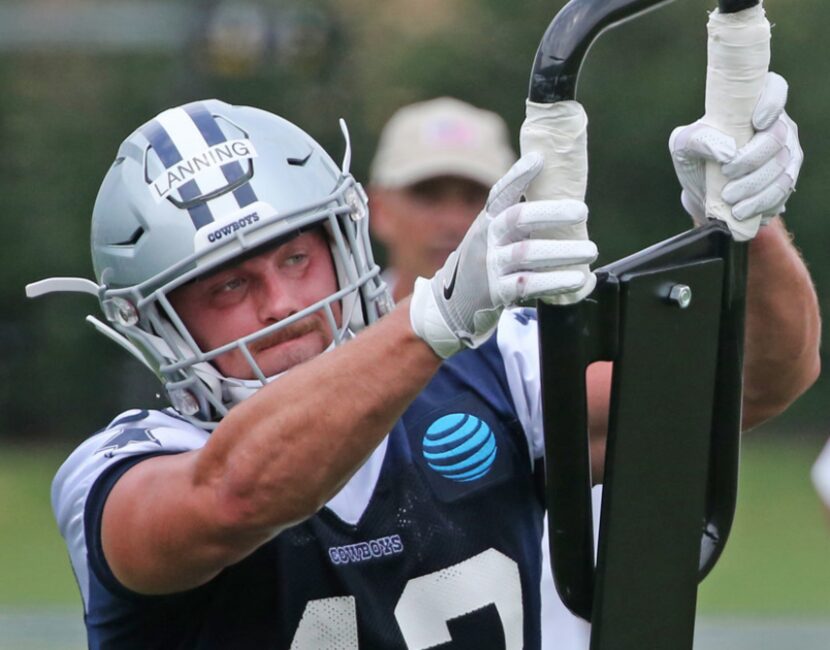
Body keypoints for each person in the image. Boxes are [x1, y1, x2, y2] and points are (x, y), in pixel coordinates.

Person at [33, 70, 818, 648]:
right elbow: (236, 496)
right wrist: (433, 315)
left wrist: (747, 225)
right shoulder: (123, 471)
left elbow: (748, 383)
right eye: (230, 286)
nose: (277, 305)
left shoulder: (491, 370)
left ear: (345, 239)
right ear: (155, 321)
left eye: (298, 260)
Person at [367, 96, 596, 649]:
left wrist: (744, 230)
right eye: (427, 195)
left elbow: (735, 395)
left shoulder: (544, 348)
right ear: (377, 208)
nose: (452, 221)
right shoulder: (326, 347)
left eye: (476, 197)